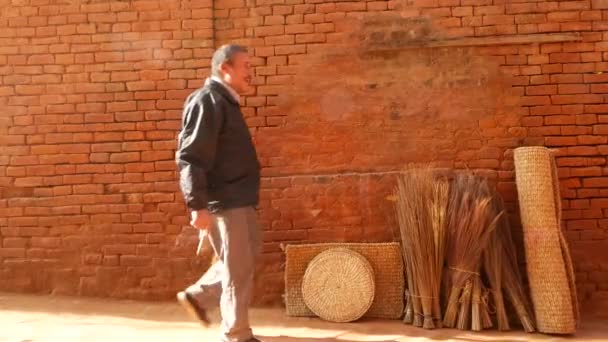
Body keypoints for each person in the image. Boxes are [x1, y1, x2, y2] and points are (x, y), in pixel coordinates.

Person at [175, 44, 262, 342]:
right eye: (246, 65)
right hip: (226, 201)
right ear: (225, 68)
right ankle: (238, 334)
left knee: (245, 259)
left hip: (239, 198)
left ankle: (199, 296)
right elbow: (191, 156)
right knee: (238, 270)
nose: (251, 72)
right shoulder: (208, 101)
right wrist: (196, 205)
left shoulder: (225, 102)